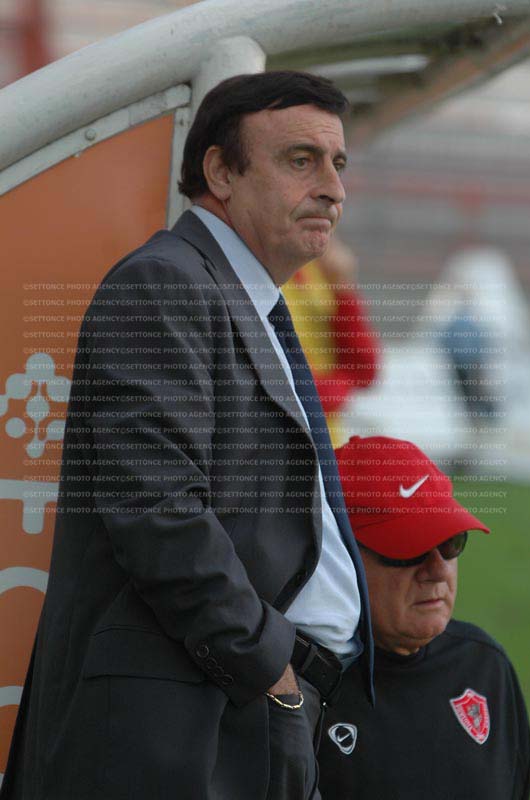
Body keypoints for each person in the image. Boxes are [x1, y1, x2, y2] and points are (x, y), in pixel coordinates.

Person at [1, 72, 373, 800]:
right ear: (221, 172)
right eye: (301, 160)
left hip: (245, 709)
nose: (333, 189)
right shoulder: (164, 283)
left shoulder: (240, 295)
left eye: (338, 164)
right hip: (196, 720)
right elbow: (160, 514)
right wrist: (271, 671)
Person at [318, 435, 530, 800]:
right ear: (339, 554)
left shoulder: (485, 667)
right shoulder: (294, 686)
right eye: (408, 549)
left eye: (450, 543)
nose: (439, 570)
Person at [283, 238, 380, 447]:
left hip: (328, 440)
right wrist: (344, 383)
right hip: (286, 441)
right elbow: (289, 391)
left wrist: (344, 288)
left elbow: (365, 369)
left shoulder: (323, 265)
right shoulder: (263, 274)